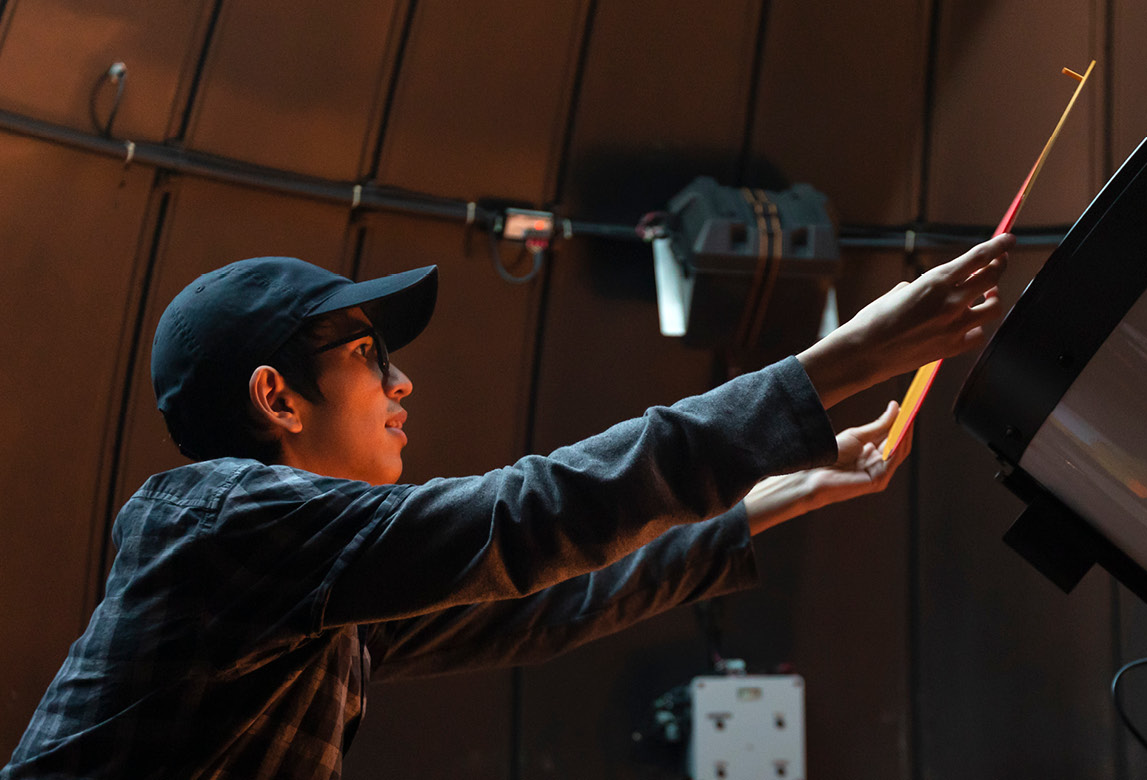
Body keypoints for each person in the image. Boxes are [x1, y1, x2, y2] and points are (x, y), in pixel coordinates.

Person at [1, 233, 1013, 779]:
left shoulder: (300, 595)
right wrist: (829, 366)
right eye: (367, 357)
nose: (403, 385)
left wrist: (765, 499)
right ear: (277, 398)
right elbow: (525, 519)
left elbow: (537, 601)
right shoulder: (221, 520)